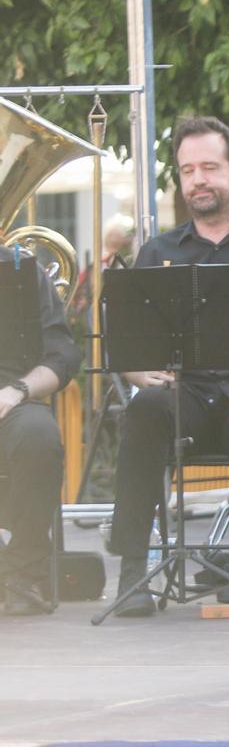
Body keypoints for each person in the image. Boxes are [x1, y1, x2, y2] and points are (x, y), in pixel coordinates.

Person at [105, 116, 229, 618]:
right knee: (144, 410)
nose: (198, 180)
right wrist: (134, 371)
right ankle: (133, 568)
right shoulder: (159, 252)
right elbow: (128, 342)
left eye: (209, 167)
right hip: (185, 393)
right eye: (188, 170)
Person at [0, 255, 80, 616]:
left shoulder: (23, 271)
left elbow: (62, 356)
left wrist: (16, 390)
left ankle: (23, 570)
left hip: (9, 399)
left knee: (39, 435)